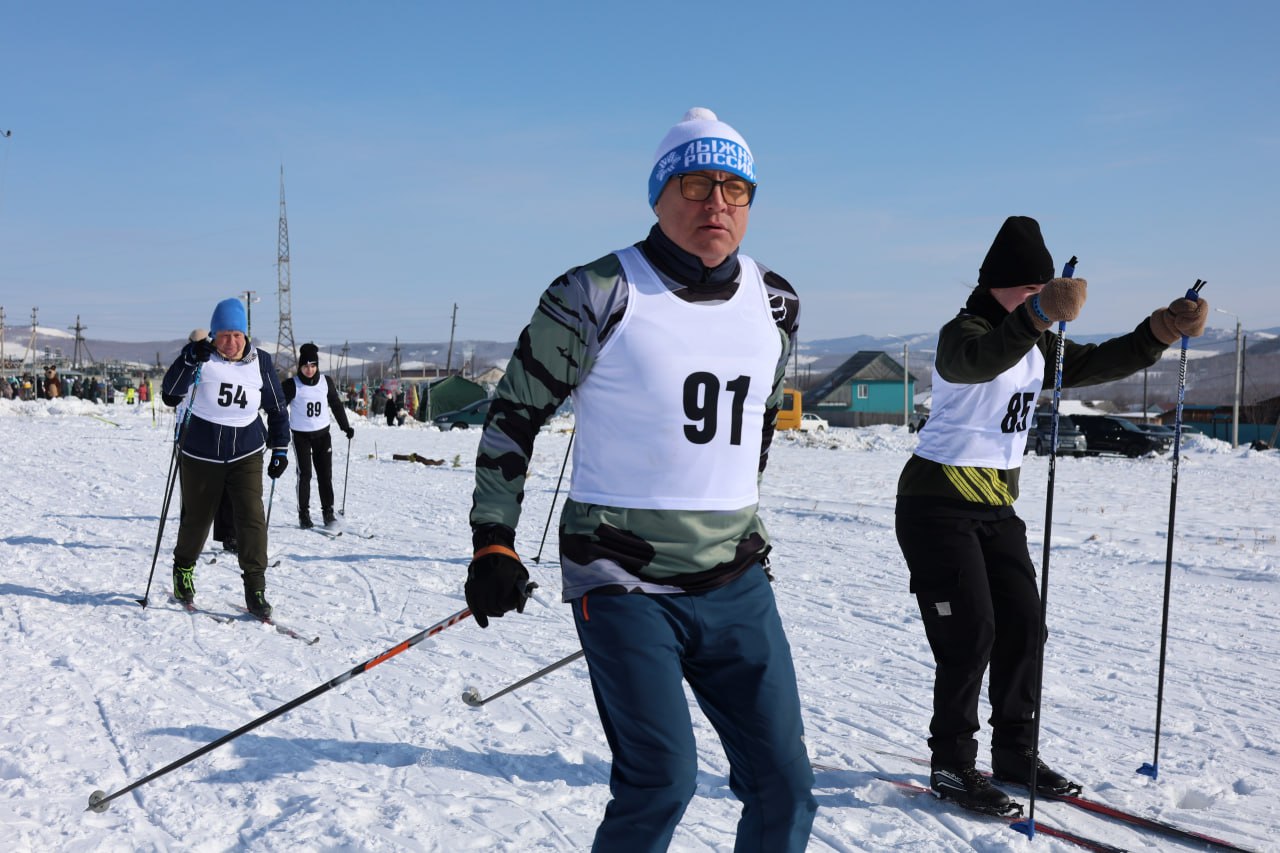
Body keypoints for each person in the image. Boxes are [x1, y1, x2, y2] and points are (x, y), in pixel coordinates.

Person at [464, 108, 816, 852]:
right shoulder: (595, 291)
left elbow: (751, 432)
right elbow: (514, 416)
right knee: (662, 777)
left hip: (735, 579)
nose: (716, 203)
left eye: (735, 187)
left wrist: (735, 515)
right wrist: (494, 541)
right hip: (622, 575)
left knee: (785, 785)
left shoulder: (776, 302)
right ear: (658, 194)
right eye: (695, 183)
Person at [895, 215, 1210, 813]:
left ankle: (1015, 752)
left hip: (994, 505)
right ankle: (953, 765)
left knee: (1023, 625)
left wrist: (1163, 328)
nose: (1040, 300)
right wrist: (1038, 316)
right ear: (998, 286)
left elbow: (1099, 361)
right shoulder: (962, 332)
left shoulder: (1038, 340)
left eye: (1045, 291)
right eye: (1030, 290)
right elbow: (977, 363)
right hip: (935, 503)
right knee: (971, 631)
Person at [161, 297, 290, 618]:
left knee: (250, 517)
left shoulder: (260, 362)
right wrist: (188, 359)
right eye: (223, 335)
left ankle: (255, 586)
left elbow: (276, 407)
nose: (230, 342)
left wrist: (281, 447)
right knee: (198, 518)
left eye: (237, 335)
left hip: (245, 451)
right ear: (213, 336)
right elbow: (169, 394)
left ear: (246, 335)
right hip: (200, 451)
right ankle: (183, 569)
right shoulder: (199, 357)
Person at [284, 342, 355, 529]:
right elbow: (278, 410)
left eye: (313, 365)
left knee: (325, 475)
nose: (310, 370)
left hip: (323, 435)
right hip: (301, 437)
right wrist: (276, 431)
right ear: (300, 366)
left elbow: (336, 404)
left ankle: (328, 513)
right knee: (305, 475)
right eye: (306, 366)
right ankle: (304, 515)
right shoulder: (292, 385)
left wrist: (345, 426)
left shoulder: (326, 382)